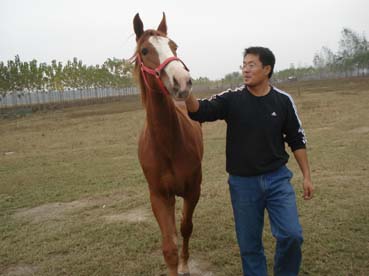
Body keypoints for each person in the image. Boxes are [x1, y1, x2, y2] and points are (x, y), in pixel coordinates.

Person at [185, 46, 314, 276]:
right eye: (243, 65)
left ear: (267, 69)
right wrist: (185, 90)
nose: (245, 70)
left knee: (292, 235)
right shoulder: (232, 99)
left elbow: (296, 139)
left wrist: (306, 176)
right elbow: (200, 111)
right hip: (243, 184)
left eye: (251, 65)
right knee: (249, 246)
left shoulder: (283, 101)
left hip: (278, 180)